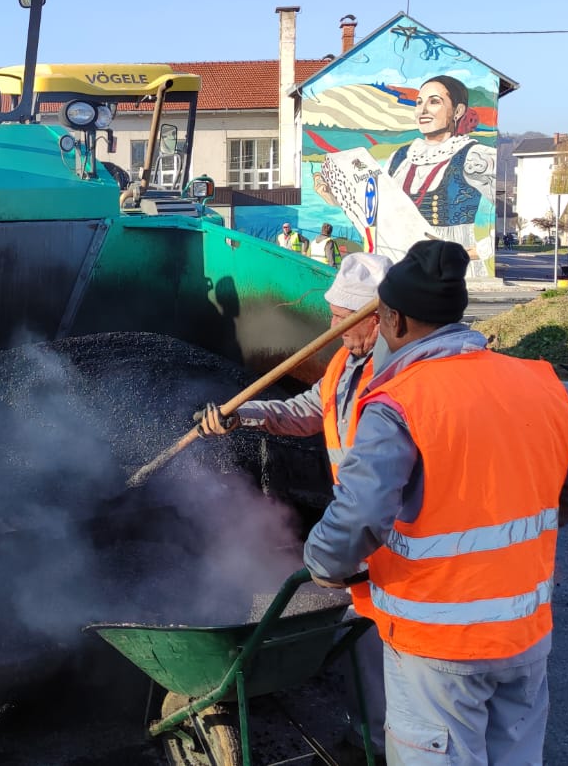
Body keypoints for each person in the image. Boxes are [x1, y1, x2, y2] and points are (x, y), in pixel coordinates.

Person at [302, 240, 568, 765]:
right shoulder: (535, 381)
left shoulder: (399, 400)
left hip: (439, 644)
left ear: (394, 320)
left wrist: (323, 563)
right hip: (524, 633)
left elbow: (360, 515)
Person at [196, 252, 394, 762]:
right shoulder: (346, 363)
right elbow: (308, 410)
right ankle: (370, 734)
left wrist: (332, 551)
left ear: (376, 318)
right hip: (363, 529)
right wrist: (244, 415)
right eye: (332, 315)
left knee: (387, 642)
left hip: (389, 530)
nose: (332, 329)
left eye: (342, 318)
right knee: (365, 634)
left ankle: (385, 742)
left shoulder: (398, 376)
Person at [383, 76, 496, 274]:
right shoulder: (400, 157)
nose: (422, 110)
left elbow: (517, 208)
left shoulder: (474, 156)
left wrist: (477, 251)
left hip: (451, 269)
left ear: (458, 111)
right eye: (419, 103)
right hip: (404, 267)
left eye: (434, 102)